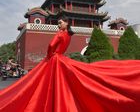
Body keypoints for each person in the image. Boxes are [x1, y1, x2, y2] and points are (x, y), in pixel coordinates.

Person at [0, 18, 140, 112]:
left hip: (55, 59)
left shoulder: (61, 34)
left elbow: (51, 45)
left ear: (67, 24)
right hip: (62, 58)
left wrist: (49, 55)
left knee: (41, 83)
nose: (58, 24)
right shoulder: (69, 35)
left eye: (60, 22)